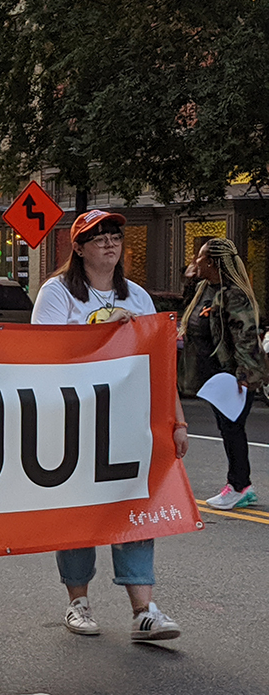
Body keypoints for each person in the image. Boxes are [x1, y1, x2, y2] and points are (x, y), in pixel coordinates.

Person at [31, 209, 187, 641]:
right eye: (97, 236)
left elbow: (161, 364)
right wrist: (100, 332)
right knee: (80, 513)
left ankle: (144, 610)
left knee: (135, 508)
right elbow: (42, 356)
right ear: (77, 248)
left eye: (114, 235)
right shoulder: (57, 294)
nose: (108, 242)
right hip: (74, 421)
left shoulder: (137, 295)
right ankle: (77, 602)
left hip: (128, 422)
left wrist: (178, 420)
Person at [179, 238, 269, 510]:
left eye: (201, 257)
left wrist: (243, 375)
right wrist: (189, 280)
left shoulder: (234, 295)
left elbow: (245, 337)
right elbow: (191, 314)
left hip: (232, 377)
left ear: (214, 263)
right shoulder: (205, 288)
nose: (197, 260)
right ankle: (240, 484)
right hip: (215, 376)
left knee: (232, 430)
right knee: (228, 428)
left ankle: (240, 486)